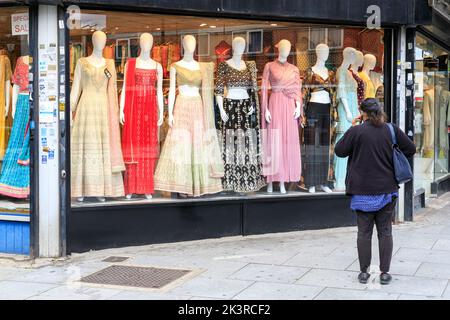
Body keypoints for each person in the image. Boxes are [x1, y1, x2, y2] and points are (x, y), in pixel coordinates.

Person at [335, 98, 416, 285]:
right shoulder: (391, 129)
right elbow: (410, 149)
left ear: (362, 112)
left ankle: (364, 273)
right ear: (380, 111)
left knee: (364, 233)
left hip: (362, 191)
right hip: (387, 190)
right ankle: (384, 273)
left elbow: (340, 151)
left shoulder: (356, 131)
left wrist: (351, 126)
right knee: (385, 232)